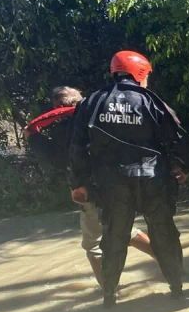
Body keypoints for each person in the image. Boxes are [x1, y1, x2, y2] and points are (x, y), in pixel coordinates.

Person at [69, 51, 189, 307]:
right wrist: (182, 166)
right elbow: (179, 138)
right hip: (152, 179)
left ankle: (109, 295)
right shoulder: (153, 101)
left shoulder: (92, 102)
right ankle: (177, 289)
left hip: (112, 183)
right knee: (164, 233)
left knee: (114, 237)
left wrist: (79, 182)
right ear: (139, 73)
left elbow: (77, 146)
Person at [24, 86, 154, 287]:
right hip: (122, 184)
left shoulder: (64, 131)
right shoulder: (105, 118)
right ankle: (173, 266)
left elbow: (57, 160)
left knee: (94, 245)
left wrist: (33, 138)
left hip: (92, 192)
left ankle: (109, 294)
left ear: (57, 108)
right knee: (126, 230)